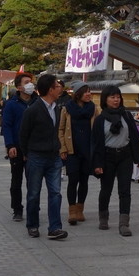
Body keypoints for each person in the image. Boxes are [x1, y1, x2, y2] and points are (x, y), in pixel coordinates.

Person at [18, 74, 68, 240]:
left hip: (53, 157)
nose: (59, 88)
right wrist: (26, 154)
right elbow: (23, 135)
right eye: (56, 86)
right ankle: (32, 224)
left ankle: (55, 227)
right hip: (36, 156)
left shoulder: (58, 108)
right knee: (34, 193)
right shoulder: (32, 110)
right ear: (50, 89)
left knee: (55, 193)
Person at [91, 85, 139, 236]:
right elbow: (96, 144)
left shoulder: (126, 116)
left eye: (118, 97)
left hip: (124, 156)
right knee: (106, 189)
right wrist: (97, 164)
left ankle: (124, 223)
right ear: (105, 100)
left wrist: (138, 158)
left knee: (125, 190)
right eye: (112, 97)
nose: (116, 100)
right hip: (107, 156)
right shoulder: (100, 120)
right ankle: (103, 217)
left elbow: (134, 137)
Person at [60, 83, 97, 225]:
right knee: (73, 180)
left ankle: (80, 208)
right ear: (78, 94)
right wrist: (62, 148)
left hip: (87, 150)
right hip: (72, 150)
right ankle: (72, 211)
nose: (89, 94)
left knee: (84, 181)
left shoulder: (93, 109)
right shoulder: (67, 109)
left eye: (90, 92)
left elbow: (98, 128)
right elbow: (61, 130)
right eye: (86, 92)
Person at [2, 73, 35, 221]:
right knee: (16, 181)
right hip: (16, 147)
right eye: (27, 82)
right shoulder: (12, 104)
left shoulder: (37, 102)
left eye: (31, 82)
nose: (30, 85)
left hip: (34, 148)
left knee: (33, 181)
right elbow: (7, 126)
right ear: (19, 87)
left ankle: (33, 208)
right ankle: (17, 209)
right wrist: (10, 145)